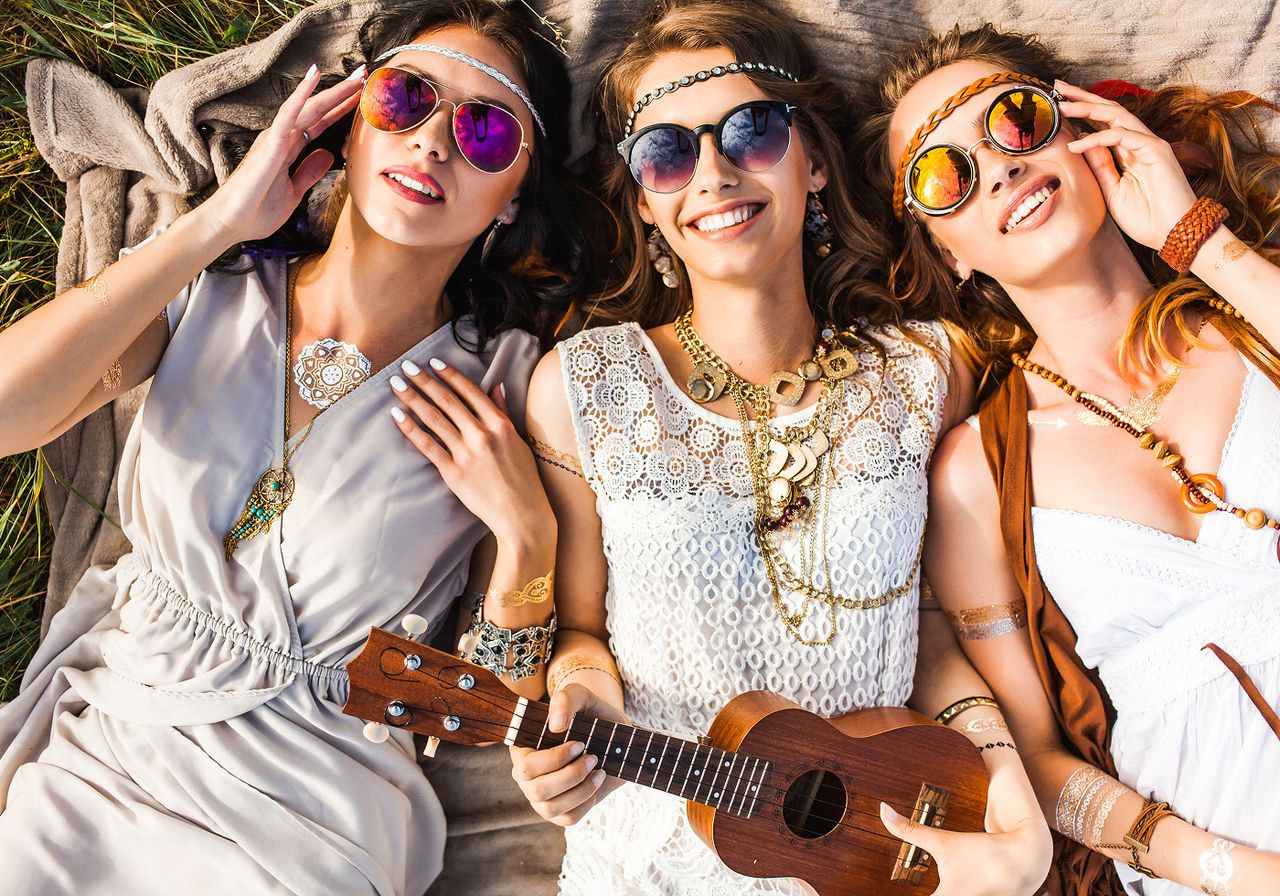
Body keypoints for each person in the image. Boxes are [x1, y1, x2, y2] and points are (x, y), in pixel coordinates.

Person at [470, 2, 1052, 893]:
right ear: (644, 202)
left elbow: (932, 625)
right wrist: (582, 695)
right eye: (666, 152)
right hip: (651, 855)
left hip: (881, 852)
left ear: (814, 160)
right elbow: (581, 629)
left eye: (750, 131)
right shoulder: (585, 387)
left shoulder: (928, 372)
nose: (711, 172)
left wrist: (1004, 779)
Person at [0, 2, 582, 893]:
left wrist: (527, 537)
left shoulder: (510, 384)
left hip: (314, 819)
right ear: (347, 124)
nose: (433, 143)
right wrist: (215, 225)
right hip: (107, 765)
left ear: (514, 200)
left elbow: (486, 714)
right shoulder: (211, 288)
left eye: (488, 130)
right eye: (406, 99)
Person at [863, 23, 1280, 896]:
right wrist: (1234, 874)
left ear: (1088, 134)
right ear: (950, 252)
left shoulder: (1254, 312)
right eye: (947, 177)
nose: (1000, 166)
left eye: (1016, 121)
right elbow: (1042, 762)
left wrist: (1200, 242)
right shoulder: (977, 474)